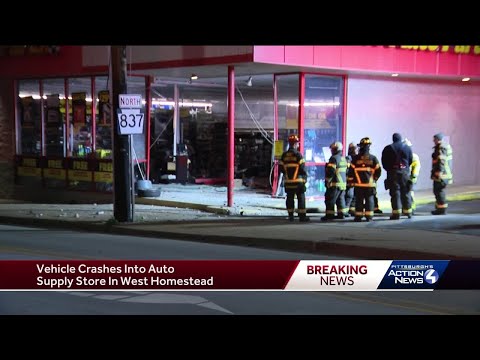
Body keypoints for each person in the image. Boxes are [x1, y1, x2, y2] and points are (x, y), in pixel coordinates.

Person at [347, 137, 381, 222]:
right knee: (370, 200)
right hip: (370, 184)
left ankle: (358, 216)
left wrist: (351, 181)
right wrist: (374, 179)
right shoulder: (373, 158)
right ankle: (369, 217)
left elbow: (351, 171)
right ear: (369, 147)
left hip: (359, 185)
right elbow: (378, 171)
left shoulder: (355, 159)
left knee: (359, 200)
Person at [381, 133, 413, 220]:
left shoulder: (388, 148)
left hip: (393, 173)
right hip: (404, 173)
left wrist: (389, 169)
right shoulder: (407, 148)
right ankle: (408, 212)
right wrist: (405, 168)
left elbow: (384, 161)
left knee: (395, 193)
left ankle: (396, 213)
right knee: (406, 191)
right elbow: (410, 160)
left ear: (393, 139)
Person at [279, 134, 310, 222]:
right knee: (301, 199)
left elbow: (281, 168)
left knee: (289, 198)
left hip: (288, 182)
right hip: (298, 182)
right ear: (296, 144)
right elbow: (303, 169)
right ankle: (302, 217)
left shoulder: (284, 155)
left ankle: (291, 216)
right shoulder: (298, 155)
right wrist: (305, 179)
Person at [321, 141, 348, 221]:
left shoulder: (333, 159)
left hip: (334, 184)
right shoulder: (343, 159)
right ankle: (341, 214)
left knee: (330, 200)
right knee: (340, 200)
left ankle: (329, 215)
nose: (331, 151)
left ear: (335, 149)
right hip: (342, 184)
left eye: (332, 149)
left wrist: (327, 181)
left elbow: (331, 172)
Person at [431, 132, 453, 215]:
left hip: (442, 174)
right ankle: (439, 207)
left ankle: (441, 209)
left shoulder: (441, 147)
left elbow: (441, 160)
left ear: (438, 139)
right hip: (443, 174)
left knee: (439, 191)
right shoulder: (444, 146)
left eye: (434, 139)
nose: (433, 141)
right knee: (438, 190)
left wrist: (439, 172)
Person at [403, 138, 421, 214]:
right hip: (405, 177)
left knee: (409, 193)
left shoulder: (413, 156)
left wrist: (413, 176)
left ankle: (411, 207)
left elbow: (416, 167)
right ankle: (406, 207)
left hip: (409, 177)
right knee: (405, 193)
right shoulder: (405, 156)